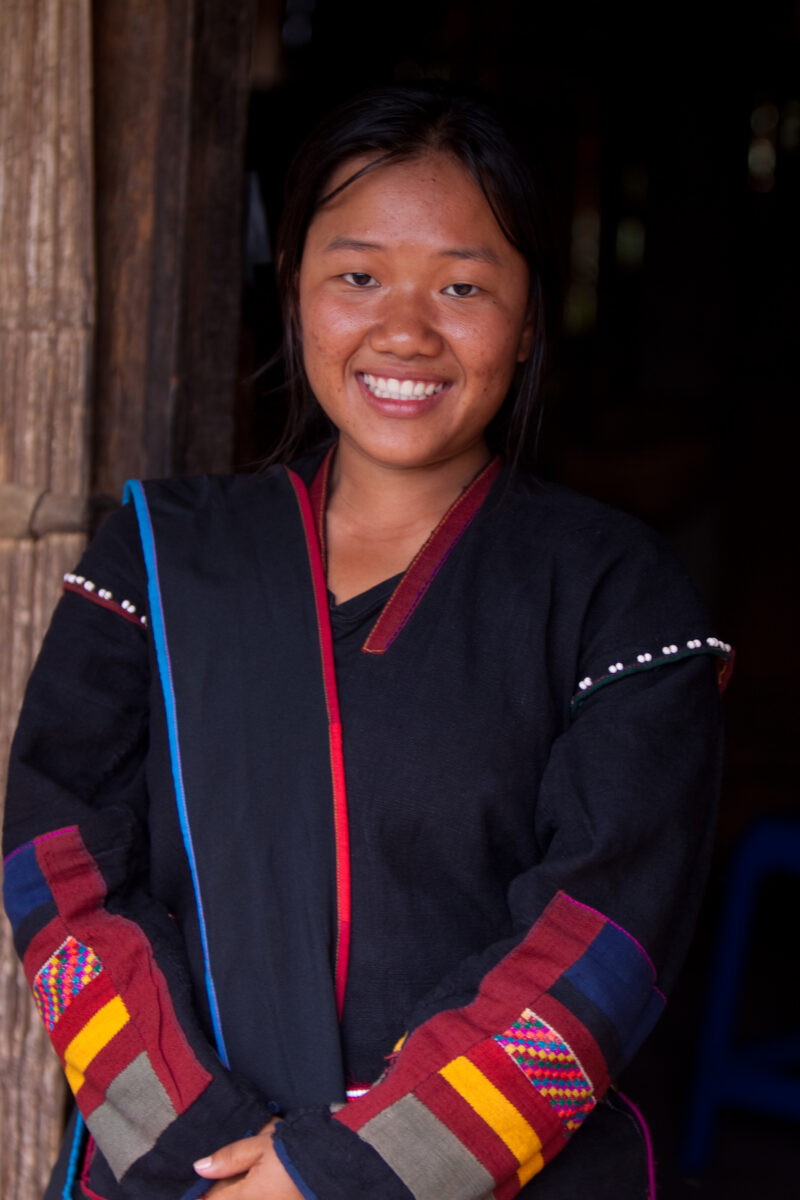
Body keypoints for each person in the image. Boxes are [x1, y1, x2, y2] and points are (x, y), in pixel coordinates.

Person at [2, 83, 731, 1200]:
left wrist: (337, 1174)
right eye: (356, 276)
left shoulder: (616, 598)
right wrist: (210, 1154)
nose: (404, 329)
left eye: (462, 285)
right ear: (292, 288)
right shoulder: (159, 561)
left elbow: (601, 938)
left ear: (530, 315)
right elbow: (60, 878)